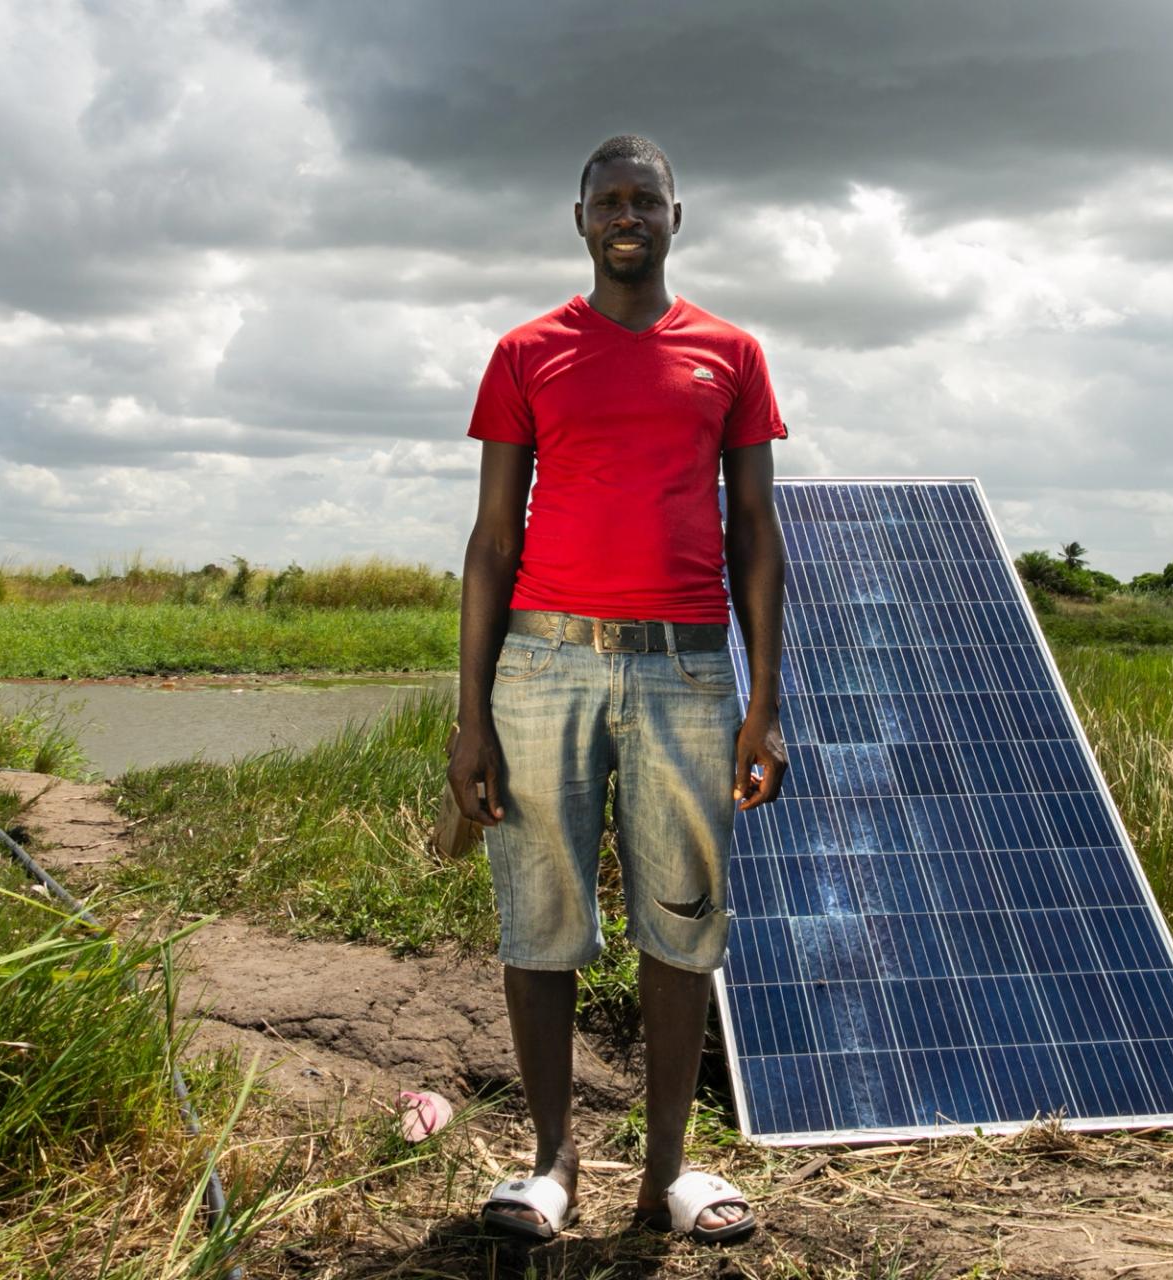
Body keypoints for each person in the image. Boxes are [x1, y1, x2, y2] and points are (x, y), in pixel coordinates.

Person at [449, 134, 789, 1245]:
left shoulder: (731, 354)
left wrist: (763, 700)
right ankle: (552, 1165)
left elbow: (755, 536)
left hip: (687, 666)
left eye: (647, 199)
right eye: (610, 200)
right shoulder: (525, 352)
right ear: (581, 218)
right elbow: (493, 542)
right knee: (541, 914)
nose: (627, 215)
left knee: (681, 919)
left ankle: (668, 1175)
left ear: (677, 218)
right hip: (544, 662)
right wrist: (470, 718)